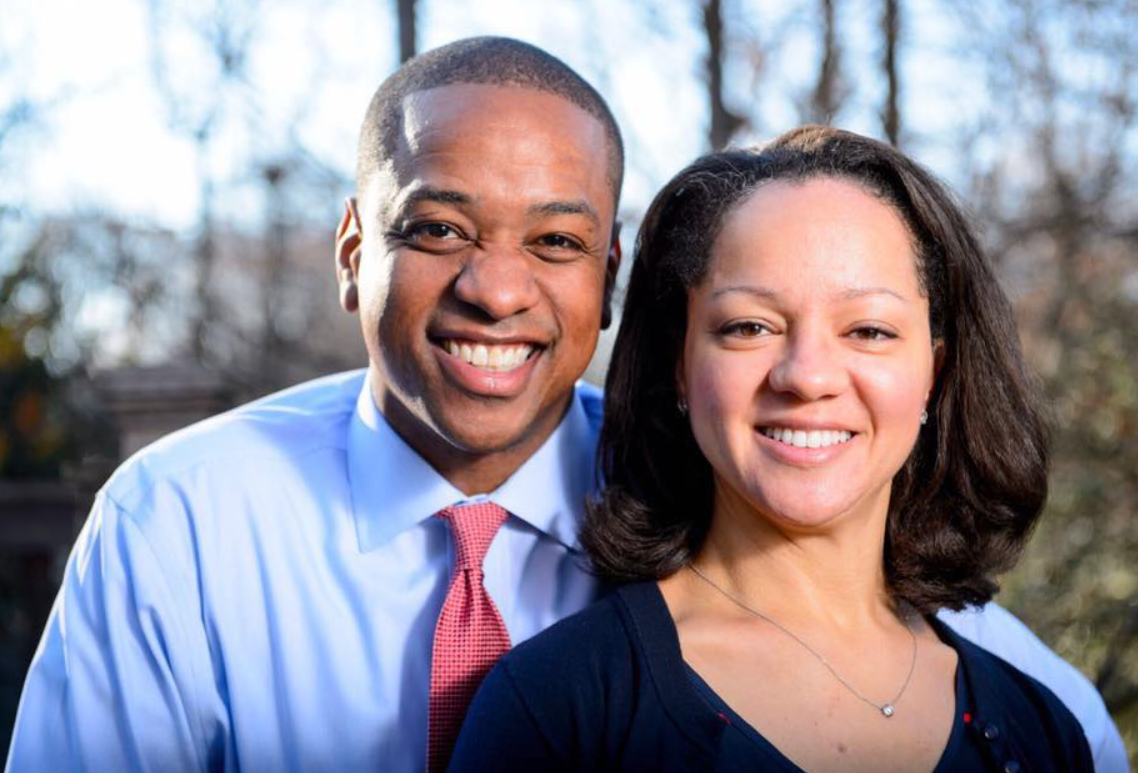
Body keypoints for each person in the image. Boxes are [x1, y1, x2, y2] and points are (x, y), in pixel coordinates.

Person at [4, 39, 1124, 772]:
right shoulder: (184, 519)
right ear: (352, 251)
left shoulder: (704, 479)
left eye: (555, 241)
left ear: (609, 279)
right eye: (438, 229)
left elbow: (928, 642)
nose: (497, 288)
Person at [448, 128, 1106, 772]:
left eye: (869, 330)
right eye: (750, 326)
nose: (808, 376)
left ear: (933, 371)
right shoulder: (559, 707)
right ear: (680, 363)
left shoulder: (1042, 727)